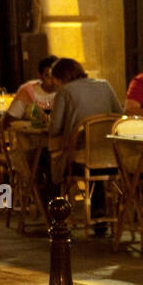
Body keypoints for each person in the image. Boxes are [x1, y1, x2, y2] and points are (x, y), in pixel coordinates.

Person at [46, 58, 123, 210]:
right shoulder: (105, 85)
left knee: (45, 161)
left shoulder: (65, 91)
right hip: (111, 157)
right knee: (93, 157)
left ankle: (55, 214)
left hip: (79, 157)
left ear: (58, 78)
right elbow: (120, 116)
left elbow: (54, 129)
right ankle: (98, 214)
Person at [5, 55, 59, 126]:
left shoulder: (66, 91)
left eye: (57, 76)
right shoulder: (28, 90)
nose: (53, 80)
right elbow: (10, 119)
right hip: (29, 135)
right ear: (39, 75)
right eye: (48, 76)